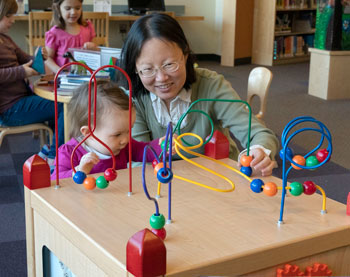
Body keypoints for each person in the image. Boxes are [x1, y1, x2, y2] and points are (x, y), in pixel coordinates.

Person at [120, 13, 279, 177]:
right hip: (163, 190)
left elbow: (260, 134)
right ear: (135, 69)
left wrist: (259, 151)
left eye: (169, 64)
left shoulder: (211, 85)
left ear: (185, 56)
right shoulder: (134, 98)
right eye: (147, 69)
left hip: (220, 182)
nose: (161, 78)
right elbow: (140, 161)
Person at [51, 81, 171, 179]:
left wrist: (165, 146)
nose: (125, 139)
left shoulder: (123, 146)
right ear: (88, 133)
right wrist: (78, 171)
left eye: (129, 130)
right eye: (117, 134)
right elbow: (54, 180)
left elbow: (145, 151)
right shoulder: (69, 153)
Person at [0, 0, 64, 162]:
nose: (13, 20)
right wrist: (22, 71)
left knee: (56, 103)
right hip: (9, 110)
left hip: (20, 100)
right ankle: (54, 157)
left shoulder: (6, 40)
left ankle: (52, 148)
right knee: (63, 106)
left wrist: (38, 57)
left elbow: (25, 58)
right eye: (9, 16)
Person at [45, 0, 98, 73]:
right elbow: (47, 58)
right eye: (68, 8)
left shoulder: (87, 27)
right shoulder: (55, 32)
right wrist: (59, 71)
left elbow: (96, 51)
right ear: (58, 9)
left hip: (85, 75)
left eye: (77, 8)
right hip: (63, 78)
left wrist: (93, 48)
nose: (73, 12)